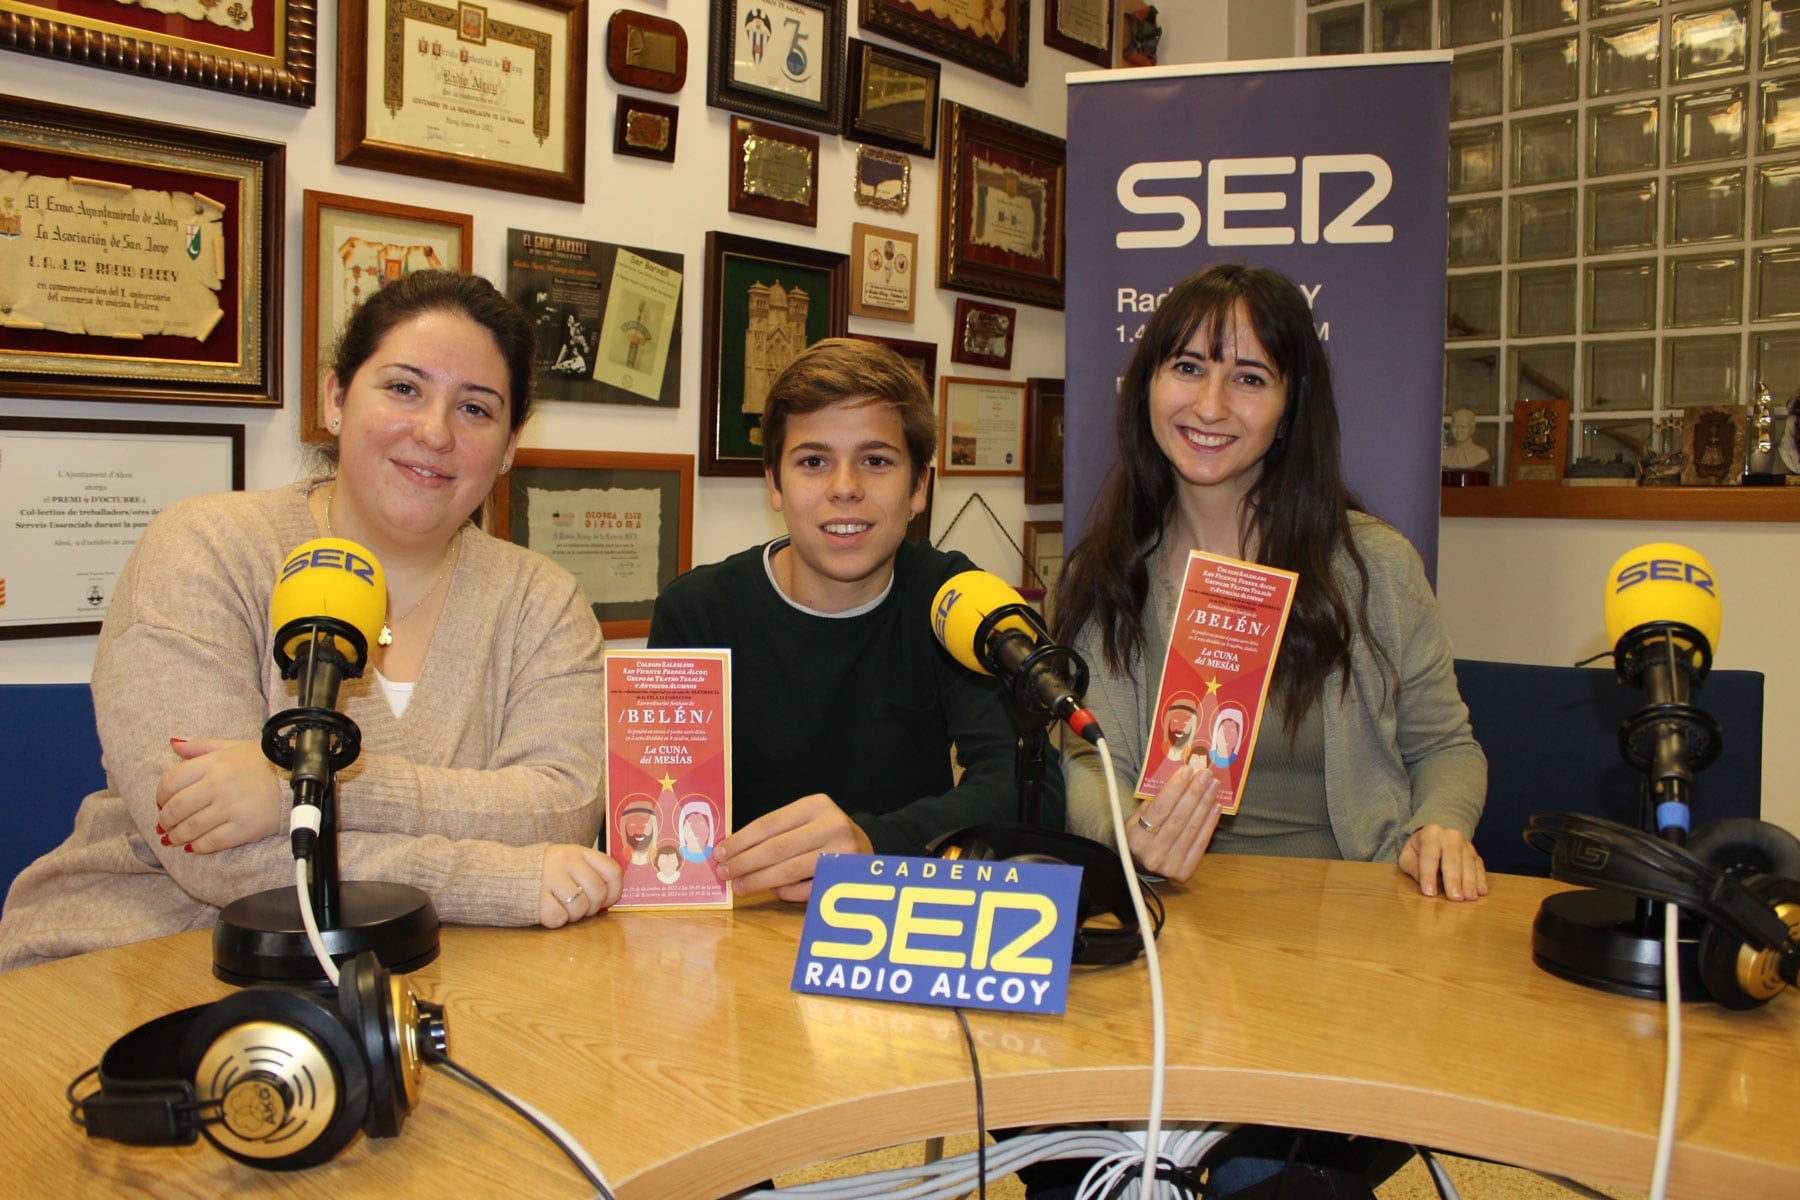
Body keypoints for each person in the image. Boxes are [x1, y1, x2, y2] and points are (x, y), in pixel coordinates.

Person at [0, 271, 620, 973]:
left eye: (476, 409)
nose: (435, 432)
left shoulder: (542, 598)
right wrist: (500, 879)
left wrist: (304, 785)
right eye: (404, 388)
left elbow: (561, 810)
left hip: (430, 969)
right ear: (335, 399)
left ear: (509, 447)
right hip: (133, 958)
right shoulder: (206, 547)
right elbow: (217, 855)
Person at [1047, 264, 1488, 1198]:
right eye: (1188, 366)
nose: (1211, 402)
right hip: (1173, 928)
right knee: (1061, 1141)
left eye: (1249, 376)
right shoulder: (1102, 572)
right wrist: (1120, 830)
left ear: (1290, 407)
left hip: (1347, 941)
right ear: (1147, 389)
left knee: (1269, 1178)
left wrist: (1439, 823)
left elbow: (1446, 746)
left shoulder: (1375, 566)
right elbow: (1081, 752)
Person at [647, 337, 1060, 901]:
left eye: (875, 460)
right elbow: (658, 811)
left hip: (900, 924)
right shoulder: (696, 612)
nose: (845, 488)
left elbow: (1032, 792)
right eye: (813, 461)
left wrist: (872, 841)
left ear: (919, 486)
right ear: (774, 482)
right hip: (742, 922)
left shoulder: (953, 600)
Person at [1442, 406, 1490, 470]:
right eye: (1455, 427)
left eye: (1463, 427)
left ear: (1472, 429)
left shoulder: (1481, 453)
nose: (1459, 431)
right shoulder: (1444, 454)